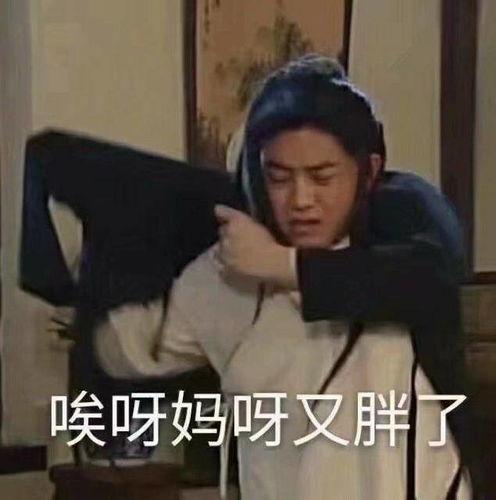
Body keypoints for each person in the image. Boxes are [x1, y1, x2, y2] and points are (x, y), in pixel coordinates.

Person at [95, 56, 472, 499]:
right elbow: (134, 349)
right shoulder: (226, 271)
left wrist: (282, 265)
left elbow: (428, 280)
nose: (301, 200)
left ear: (368, 172)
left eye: (322, 177)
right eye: (279, 178)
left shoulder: (401, 240)